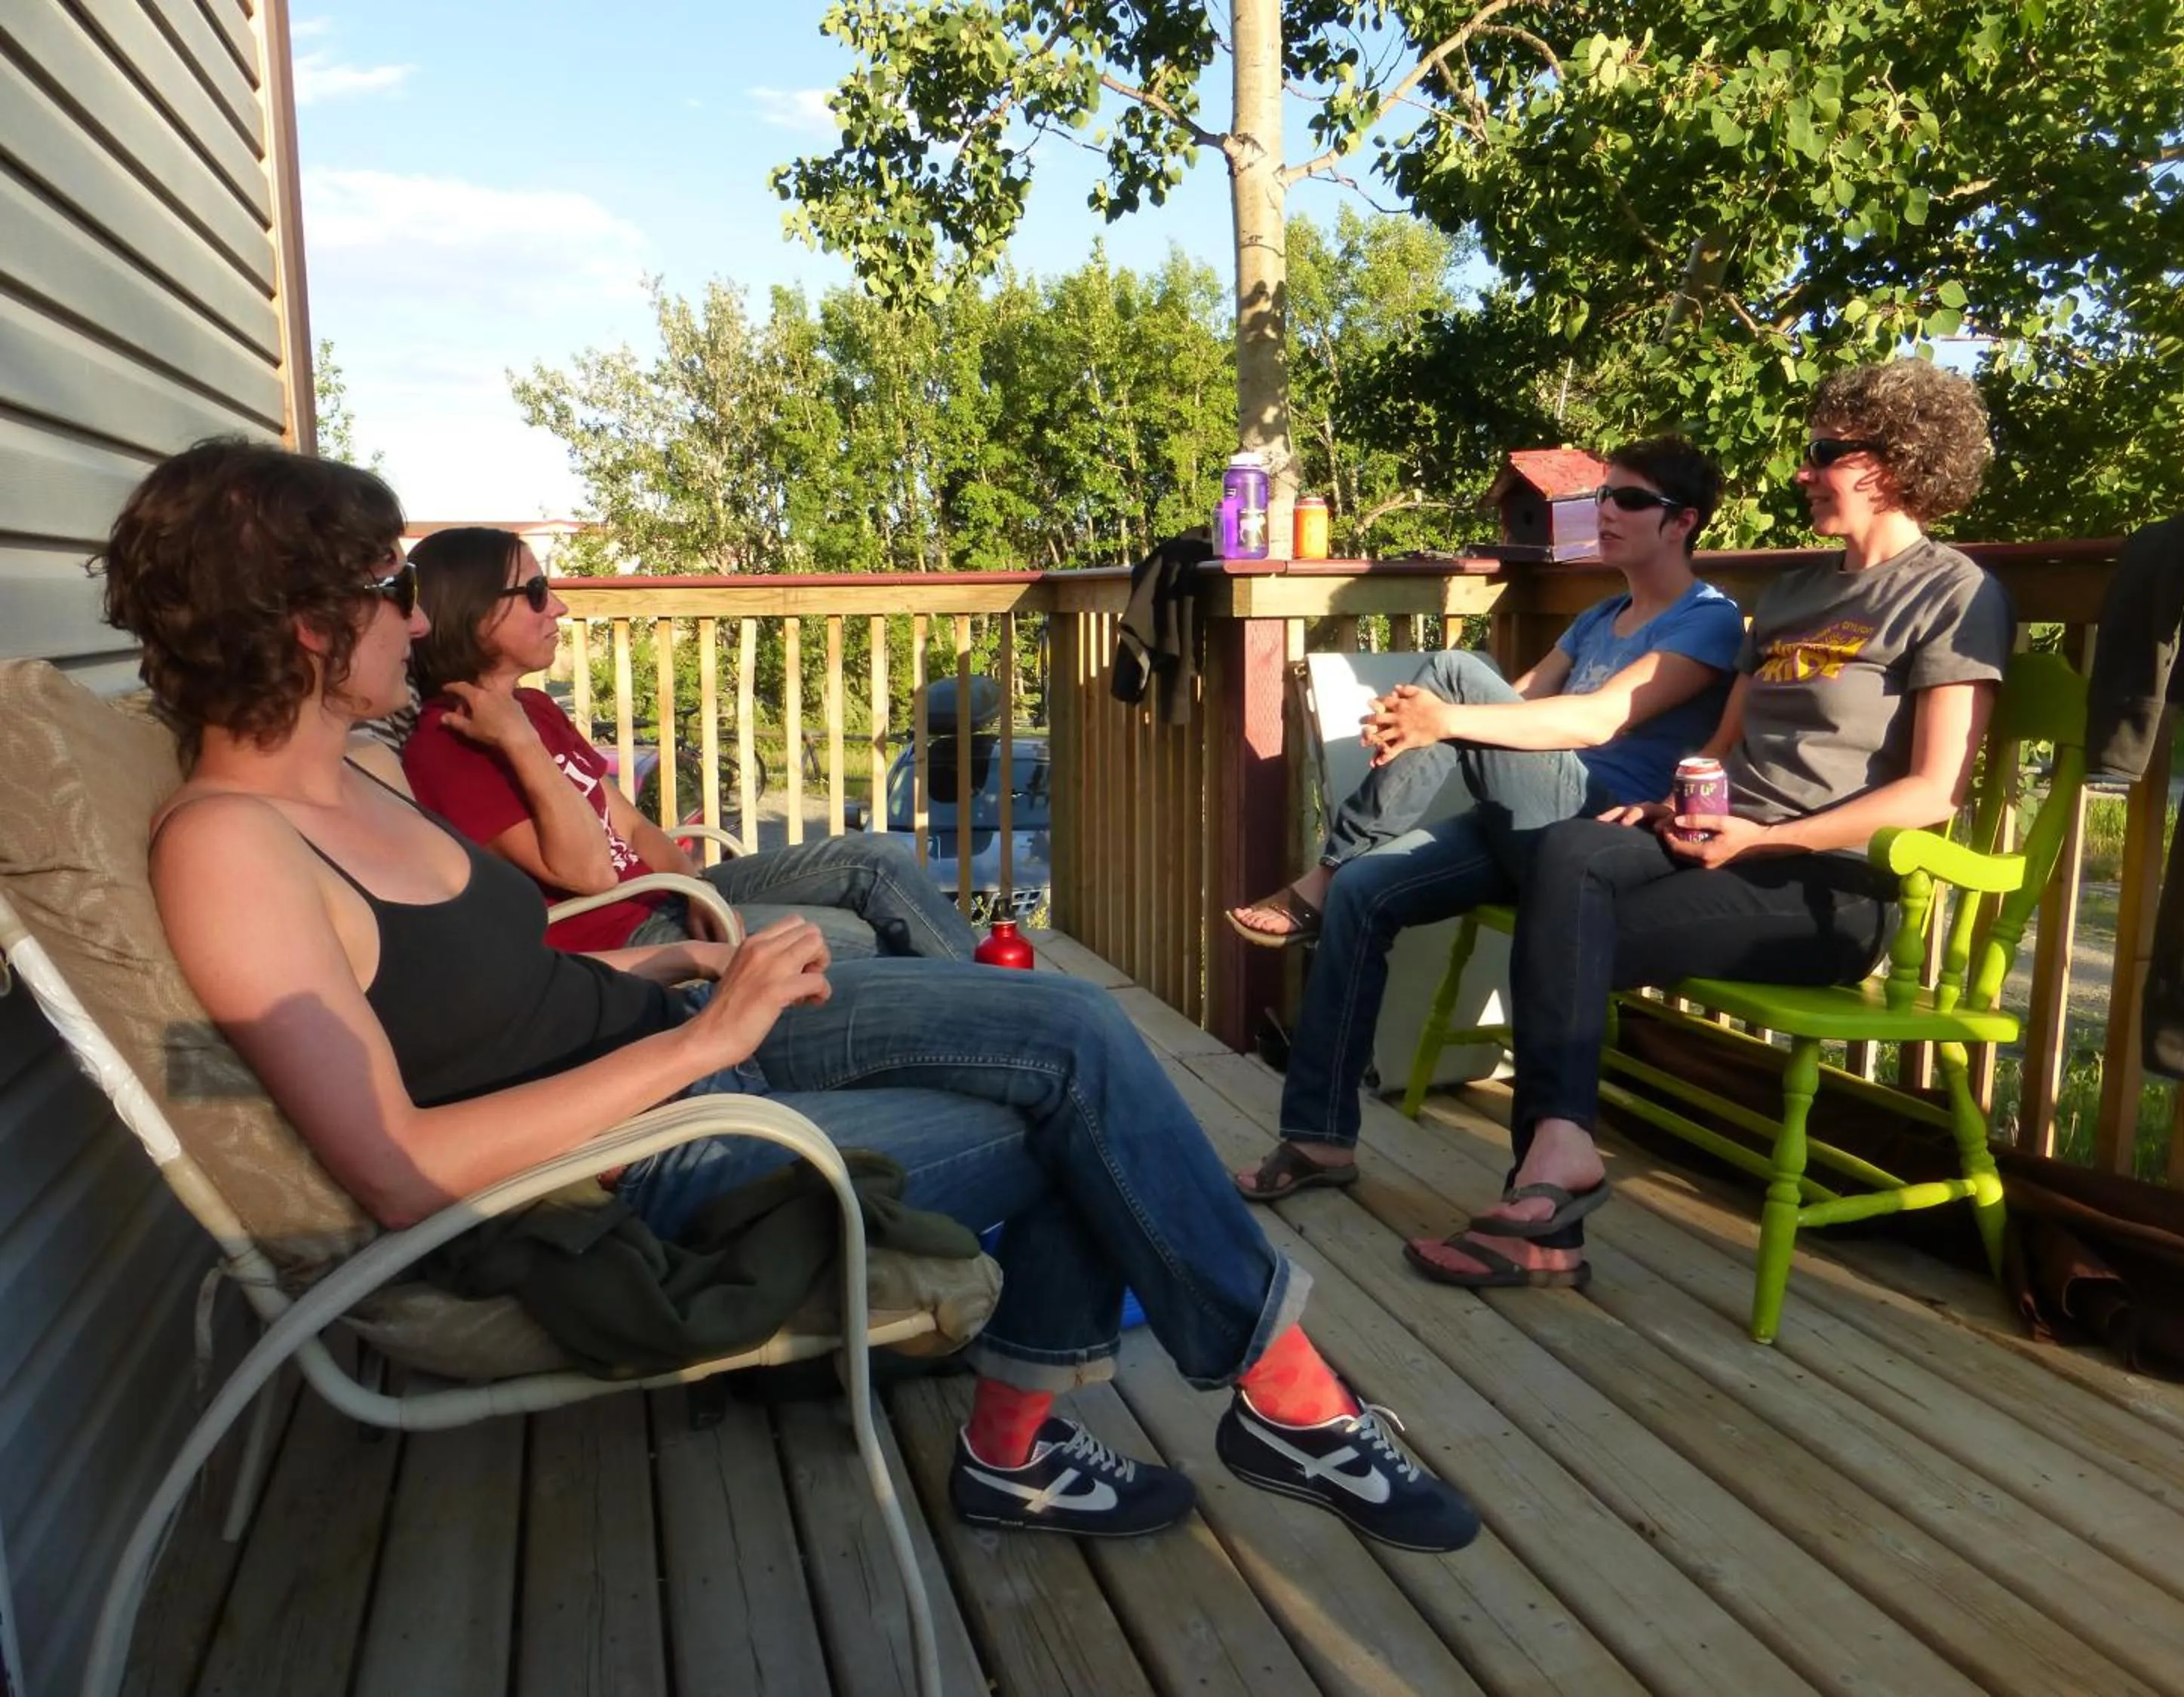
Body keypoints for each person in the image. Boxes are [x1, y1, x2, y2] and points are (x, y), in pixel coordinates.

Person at [103, 438, 1479, 1552]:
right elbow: (402, 1173)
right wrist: (712, 1033)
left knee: (1076, 1026)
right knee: (1089, 1107)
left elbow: (484, 979)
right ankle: (1261, 1401)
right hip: (632, 1165)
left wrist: (677, 964)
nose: (418, 618)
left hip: (670, 1039)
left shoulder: (359, 772)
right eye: (390, 592)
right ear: (307, 626)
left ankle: (1118, 1432)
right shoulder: (234, 853)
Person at [1402, 358, 2009, 1288]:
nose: (1804, 473)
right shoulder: (1796, 594)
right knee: (1570, 849)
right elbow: (1723, 744)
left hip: (1831, 889)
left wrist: (1762, 840)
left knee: (1568, 932)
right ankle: (1555, 1169)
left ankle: (1543, 1212)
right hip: (1722, 849)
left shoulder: (1953, 593)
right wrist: (1678, 797)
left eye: (1823, 454)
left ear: (1894, 461)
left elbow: (1933, 792)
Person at [1227, 436, 1744, 1202]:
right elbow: (1521, 703)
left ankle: (1324, 873)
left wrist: (1441, 714)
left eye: (1630, 500)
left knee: (1455, 671)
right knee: (1370, 890)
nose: (1607, 512)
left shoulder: (1710, 622)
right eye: (1603, 496)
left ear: (1682, 523)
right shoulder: (1600, 617)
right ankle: (1318, 1139)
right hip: (1526, 817)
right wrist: (1421, 722)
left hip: (1595, 834)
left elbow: (1595, 722)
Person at [397, 526, 972, 964]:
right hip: (623, 937)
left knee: (875, 858)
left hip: (663, 890)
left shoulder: (535, 708)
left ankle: (999, 988)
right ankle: (1005, 1005)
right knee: (865, 939)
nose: (561, 608)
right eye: (538, 592)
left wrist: (698, 888)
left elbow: (634, 827)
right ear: (472, 611)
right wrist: (520, 744)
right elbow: (593, 874)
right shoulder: (447, 744)